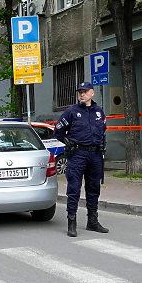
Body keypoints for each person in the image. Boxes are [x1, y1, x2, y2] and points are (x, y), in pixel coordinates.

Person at [54, 81, 109, 238]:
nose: (81, 94)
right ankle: (72, 221)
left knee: (93, 189)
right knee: (74, 188)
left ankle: (92, 221)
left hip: (95, 155)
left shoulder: (99, 111)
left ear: (92, 93)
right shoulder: (71, 111)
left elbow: (103, 130)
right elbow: (58, 132)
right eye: (80, 92)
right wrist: (68, 143)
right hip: (78, 154)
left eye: (85, 91)